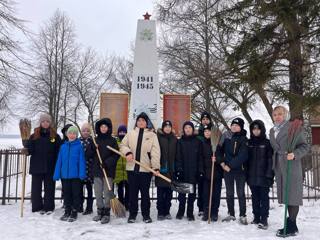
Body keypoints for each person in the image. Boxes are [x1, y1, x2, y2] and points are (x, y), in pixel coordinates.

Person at [269, 106, 309, 237]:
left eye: (280, 114)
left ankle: (291, 225)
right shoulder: (272, 131)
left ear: (285, 115)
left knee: (292, 196)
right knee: (286, 196)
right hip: (279, 167)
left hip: (292, 165)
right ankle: (292, 225)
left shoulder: (294, 128)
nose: (277, 117)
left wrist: (295, 154)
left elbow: (305, 146)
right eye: (275, 115)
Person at [120, 112, 160, 223]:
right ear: (136, 122)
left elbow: (155, 152)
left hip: (145, 170)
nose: (141, 122)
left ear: (147, 122)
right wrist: (127, 153)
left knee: (145, 194)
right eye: (139, 120)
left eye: (143, 120)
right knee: (133, 193)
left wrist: (156, 167)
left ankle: (146, 215)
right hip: (132, 169)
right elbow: (122, 145)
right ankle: (132, 215)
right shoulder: (131, 134)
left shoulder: (152, 135)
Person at [25, 113, 61, 214]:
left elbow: (58, 151)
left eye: (47, 121)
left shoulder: (55, 136)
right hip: (37, 166)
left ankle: (48, 207)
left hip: (50, 166)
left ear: (50, 123)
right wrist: (26, 149)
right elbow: (30, 150)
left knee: (49, 188)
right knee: (36, 188)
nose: (45, 123)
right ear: (40, 123)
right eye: (43, 121)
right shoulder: (34, 135)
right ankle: (37, 207)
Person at [216, 117, 248, 225]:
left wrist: (230, 165)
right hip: (227, 169)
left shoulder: (244, 139)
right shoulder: (225, 136)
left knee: (240, 193)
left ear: (241, 127)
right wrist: (222, 163)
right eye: (233, 125)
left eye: (237, 125)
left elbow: (243, 155)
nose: (234, 127)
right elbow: (218, 151)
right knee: (229, 193)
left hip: (240, 170)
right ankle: (231, 213)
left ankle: (243, 215)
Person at [53, 126, 86, 222]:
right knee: (66, 194)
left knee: (75, 194)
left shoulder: (79, 146)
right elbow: (59, 161)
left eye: (74, 134)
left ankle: (74, 211)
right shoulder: (63, 147)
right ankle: (67, 211)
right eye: (70, 133)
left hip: (75, 176)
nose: (72, 135)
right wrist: (56, 174)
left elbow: (81, 161)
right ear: (67, 135)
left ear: (76, 135)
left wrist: (82, 174)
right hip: (65, 176)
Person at [92, 118, 119, 224]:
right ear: (99, 128)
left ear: (108, 128)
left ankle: (107, 212)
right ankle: (100, 211)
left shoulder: (112, 141)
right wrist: (93, 148)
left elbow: (116, 155)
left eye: (105, 127)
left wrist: (107, 163)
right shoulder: (95, 140)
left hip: (108, 171)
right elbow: (88, 155)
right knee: (98, 192)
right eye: (101, 127)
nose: (103, 128)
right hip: (97, 171)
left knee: (107, 192)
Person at [247, 120, 273, 229]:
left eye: (258, 129)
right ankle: (256, 217)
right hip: (252, 176)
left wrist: (269, 175)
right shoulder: (249, 143)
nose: (256, 131)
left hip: (264, 176)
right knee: (255, 197)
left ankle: (264, 219)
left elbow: (270, 160)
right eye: (254, 129)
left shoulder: (267, 143)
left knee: (264, 198)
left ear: (262, 130)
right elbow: (246, 160)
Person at [175, 121, 203, 221]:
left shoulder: (197, 142)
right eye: (186, 128)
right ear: (183, 130)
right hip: (183, 171)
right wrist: (179, 170)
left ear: (192, 129)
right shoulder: (180, 141)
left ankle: (190, 212)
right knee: (182, 194)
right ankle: (180, 211)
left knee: (192, 194)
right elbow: (178, 156)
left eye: (189, 128)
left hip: (193, 172)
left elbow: (200, 157)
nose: (187, 129)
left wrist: (200, 171)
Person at [201, 124, 223, 222]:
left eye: (209, 131)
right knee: (206, 194)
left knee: (216, 194)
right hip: (206, 174)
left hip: (216, 173)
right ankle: (207, 212)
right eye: (205, 131)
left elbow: (222, 158)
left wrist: (216, 159)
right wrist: (201, 171)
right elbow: (200, 159)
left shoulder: (217, 145)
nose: (207, 133)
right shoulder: (202, 144)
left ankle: (214, 212)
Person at [156, 120, 177, 220]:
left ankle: (167, 211)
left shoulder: (174, 138)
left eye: (169, 126)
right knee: (160, 193)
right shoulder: (158, 137)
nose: (167, 128)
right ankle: (160, 212)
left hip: (171, 170)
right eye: (166, 126)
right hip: (161, 169)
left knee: (169, 193)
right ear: (163, 128)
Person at [196, 111, 212, 216]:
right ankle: (201, 207)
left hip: (211, 165)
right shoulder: (198, 134)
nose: (205, 121)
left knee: (210, 189)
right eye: (203, 119)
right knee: (201, 188)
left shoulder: (213, 132)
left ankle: (210, 207)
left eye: (207, 119)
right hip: (200, 165)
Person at [79, 123, 95, 215]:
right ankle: (80, 205)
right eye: (84, 131)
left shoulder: (92, 141)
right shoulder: (78, 141)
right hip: (81, 168)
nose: (85, 132)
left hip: (90, 168)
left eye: (87, 131)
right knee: (79, 189)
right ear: (81, 132)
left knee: (89, 189)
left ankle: (89, 207)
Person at [114, 125, 129, 210]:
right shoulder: (116, 142)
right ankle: (121, 203)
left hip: (127, 168)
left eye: (124, 132)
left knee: (128, 188)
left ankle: (127, 204)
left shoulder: (128, 142)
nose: (122, 134)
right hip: (118, 169)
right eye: (120, 132)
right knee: (119, 189)